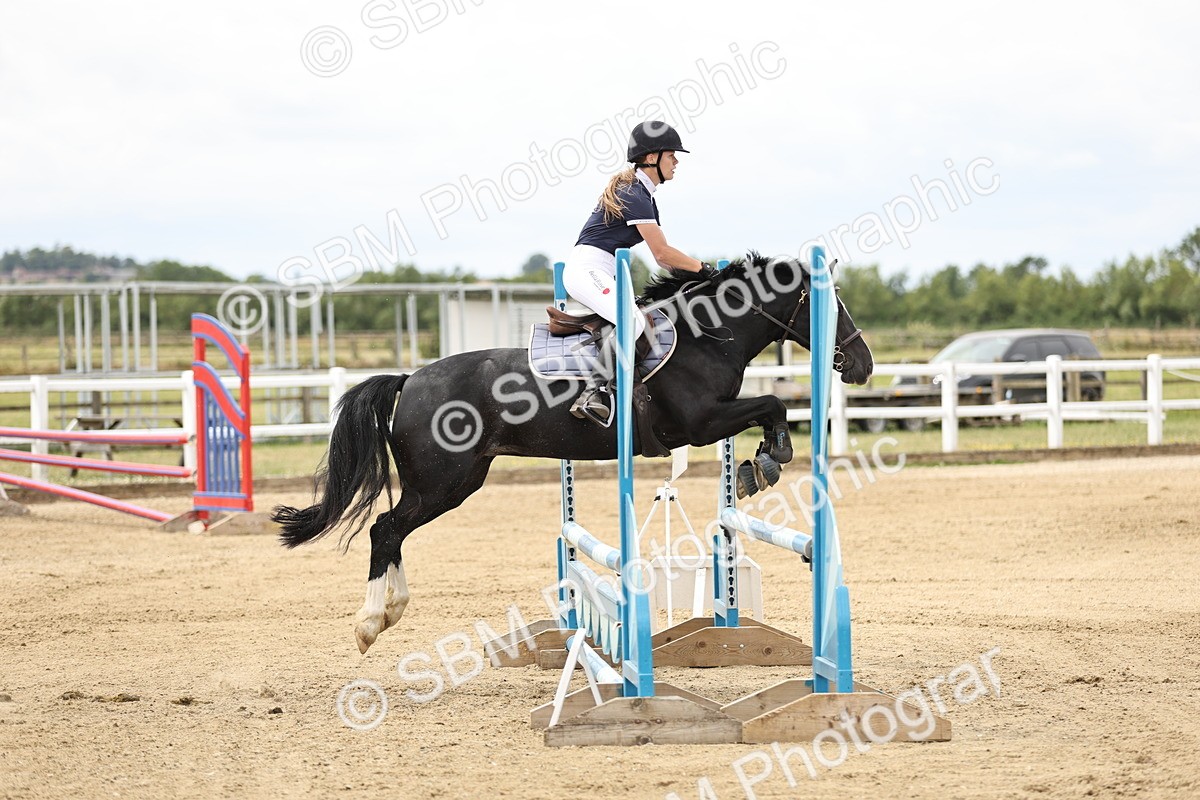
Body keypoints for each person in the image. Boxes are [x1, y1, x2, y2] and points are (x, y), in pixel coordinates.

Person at [564, 121, 715, 425]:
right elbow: (662, 253)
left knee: (643, 317)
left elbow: (663, 263)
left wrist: (698, 281)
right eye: (671, 155)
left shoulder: (643, 194)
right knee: (631, 321)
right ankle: (593, 393)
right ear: (651, 158)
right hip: (588, 269)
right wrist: (705, 269)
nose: (676, 162)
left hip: (606, 270)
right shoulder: (632, 192)